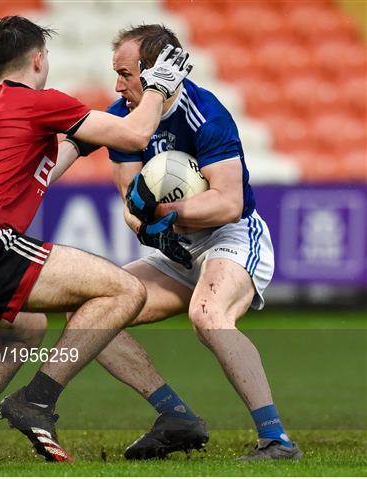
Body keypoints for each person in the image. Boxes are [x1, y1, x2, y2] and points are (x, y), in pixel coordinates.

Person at [0, 16, 191, 463]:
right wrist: (159, 84)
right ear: (39, 59)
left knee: (28, 328)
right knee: (125, 290)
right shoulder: (35, 101)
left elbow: (41, 172)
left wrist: (83, 142)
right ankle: (37, 400)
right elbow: (137, 134)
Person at [63, 24, 302, 461]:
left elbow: (228, 203)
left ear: (155, 72)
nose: (117, 85)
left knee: (208, 313)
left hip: (231, 238)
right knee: (91, 312)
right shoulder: (122, 117)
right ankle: (174, 416)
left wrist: (164, 214)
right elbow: (130, 202)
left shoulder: (206, 113)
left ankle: (276, 439)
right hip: (177, 250)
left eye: (125, 74)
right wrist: (143, 219)